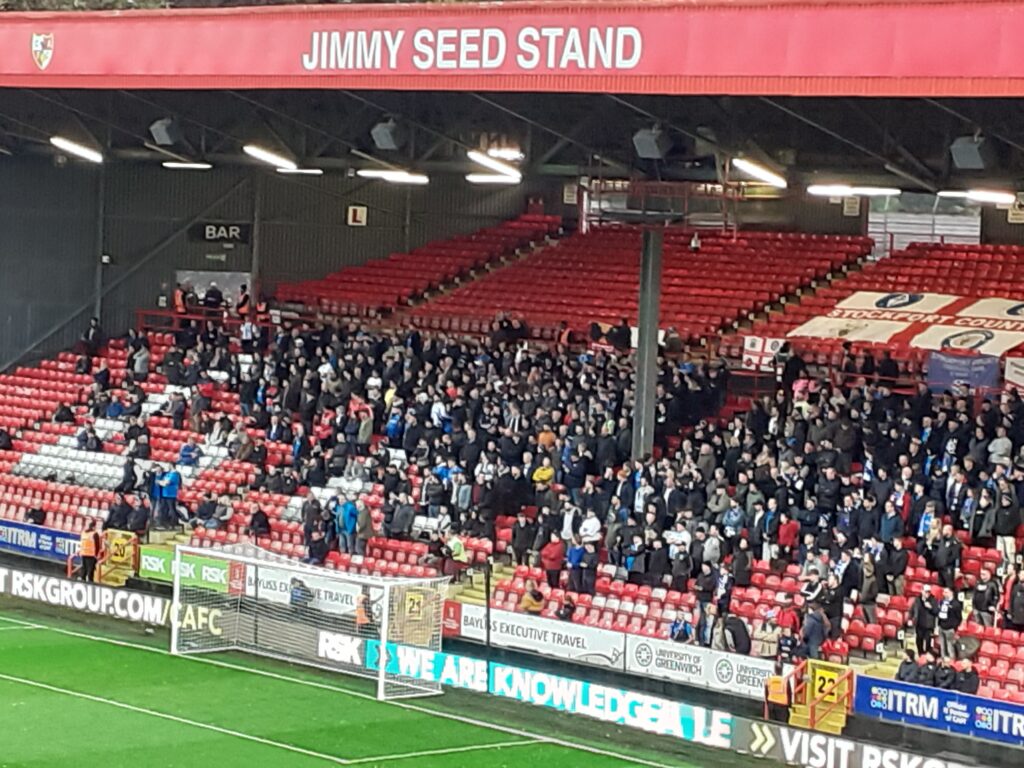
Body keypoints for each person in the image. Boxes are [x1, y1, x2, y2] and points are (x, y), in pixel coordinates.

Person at [935, 587, 962, 660]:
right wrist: (938, 625)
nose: (944, 594)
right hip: (941, 627)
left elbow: (959, 618)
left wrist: (954, 627)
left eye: (946, 592)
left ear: (951, 593)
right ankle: (943, 662)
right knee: (942, 647)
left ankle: (952, 662)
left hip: (950, 629)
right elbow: (939, 614)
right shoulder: (941, 602)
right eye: (944, 592)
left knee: (950, 647)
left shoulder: (956, 604)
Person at [909, 591, 938, 655]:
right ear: (922, 592)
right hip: (919, 624)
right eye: (926, 592)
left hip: (929, 626)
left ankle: (927, 655)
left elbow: (936, 612)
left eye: (928, 592)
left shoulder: (933, 600)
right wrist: (910, 619)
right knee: (919, 640)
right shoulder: (917, 600)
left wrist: (930, 608)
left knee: (928, 641)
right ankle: (920, 654)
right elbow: (912, 610)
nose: (927, 594)